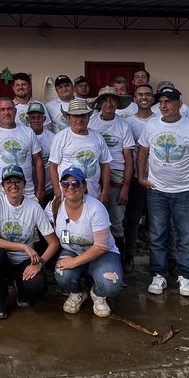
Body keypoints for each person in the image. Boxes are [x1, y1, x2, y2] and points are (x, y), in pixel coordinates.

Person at [137, 85, 189, 297]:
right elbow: (143, 150)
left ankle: (186, 277)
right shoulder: (151, 125)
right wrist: (141, 177)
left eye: (168, 101)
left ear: (180, 104)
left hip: (186, 190)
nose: (163, 105)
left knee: (186, 236)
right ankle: (159, 275)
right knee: (157, 234)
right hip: (157, 190)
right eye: (161, 102)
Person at [0, 165, 59, 319]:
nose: (13, 186)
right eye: (9, 182)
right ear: (3, 186)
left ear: (24, 184)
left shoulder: (34, 206)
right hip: (3, 257)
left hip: (24, 261)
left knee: (38, 286)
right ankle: (0, 300)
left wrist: (40, 263)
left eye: (17, 181)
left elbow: (53, 242)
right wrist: (23, 246)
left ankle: (21, 286)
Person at [51, 166, 124, 317]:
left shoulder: (96, 208)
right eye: (65, 183)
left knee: (111, 284)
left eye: (76, 183)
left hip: (102, 253)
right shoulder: (55, 205)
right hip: (72, 250)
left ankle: (98, 293)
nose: (70, 187)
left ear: (84, 186)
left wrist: (73, 262)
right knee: (61, 274)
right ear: (61, 186)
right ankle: (77, 292)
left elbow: (101, 246)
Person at [89, 86, 136, 247]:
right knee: (93, 216)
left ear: (117, 103)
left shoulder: (123, 125)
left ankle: (119, 258)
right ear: (100, 103)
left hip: (116, 172)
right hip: (95, 172)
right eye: (105, 100)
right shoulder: (91, 122)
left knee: (116, 219)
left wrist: (126, 187)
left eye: (112, 100)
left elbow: (129, 158)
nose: (109, 104)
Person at [0, 97, 44, 210]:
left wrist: (40, 191)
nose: (6, 112)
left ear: (15, 111)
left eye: (9, 109)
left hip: (27, 193)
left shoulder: (28, 132)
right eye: (2, 109)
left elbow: (38, 161)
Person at [123, 83, 158, 271]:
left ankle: (160, 260)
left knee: (159, 222)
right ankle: (129, 255)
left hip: (158, 180)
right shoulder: (128, 122)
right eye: (140, 95)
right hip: (137, 178)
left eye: (148, 95)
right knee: (132, 220)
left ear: (153, 99)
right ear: (134, 99)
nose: (144, 98)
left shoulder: (160, 120)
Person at [47, 99, 111, 203]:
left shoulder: (97, 137)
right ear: (68, 118)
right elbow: (53, 166)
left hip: (93, 195)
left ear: (88, 117)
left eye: (83, 115)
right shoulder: (61, 137)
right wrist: (57, 191)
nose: (80, 119)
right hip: (67, 195)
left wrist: (105, 192)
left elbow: (105, 165)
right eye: (75, 116)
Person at [24, 102, 54, 203]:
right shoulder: (23, 136)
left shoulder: (53, 138)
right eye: (33, 117)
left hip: (49, 188)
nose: (36, 120)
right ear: (28, 119)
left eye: (39, 117)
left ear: (44, 119)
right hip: (28, 190)